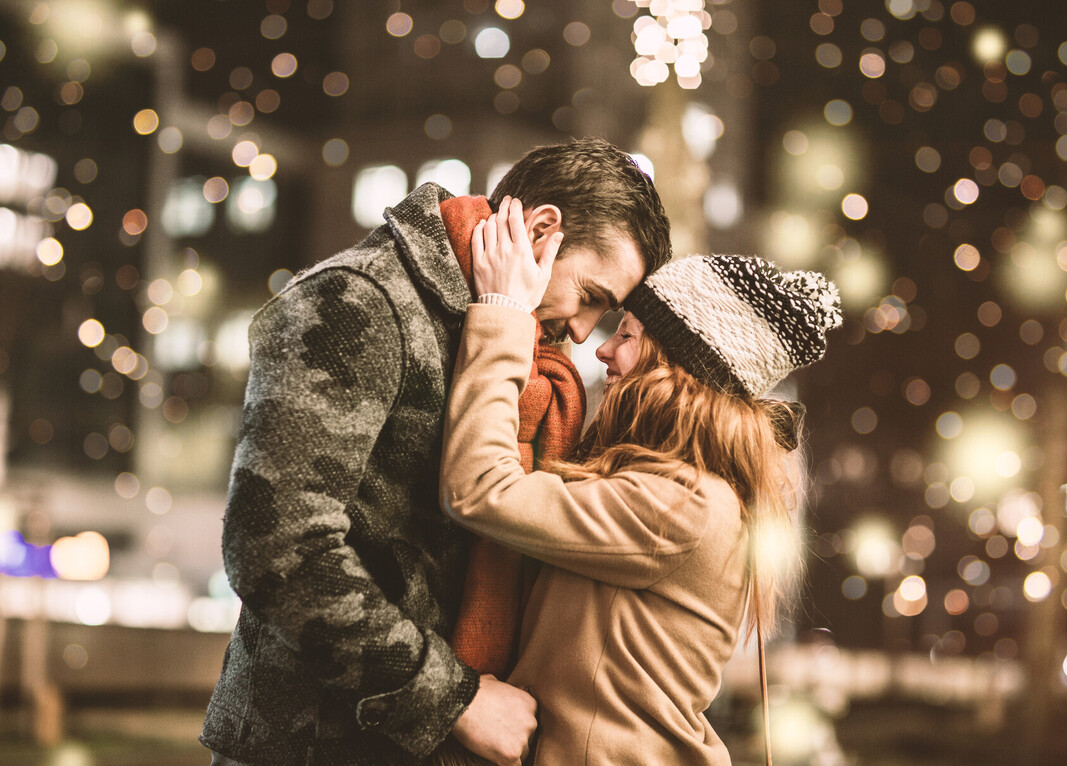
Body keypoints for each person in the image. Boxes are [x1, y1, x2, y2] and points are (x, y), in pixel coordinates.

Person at [200, 138, 672, 766]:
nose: (585, 332)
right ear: (541, 228)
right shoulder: (358, 300)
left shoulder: (514, 346)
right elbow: (277, 547)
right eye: (590, 295)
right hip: (315, 746)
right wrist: (453, 701)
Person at [439, 203, 841, 764]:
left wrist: (503, 310)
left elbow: (481, 487)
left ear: (672, 368)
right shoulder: (677, 486)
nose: (601, 347)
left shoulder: (682, 505)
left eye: (626, 334)